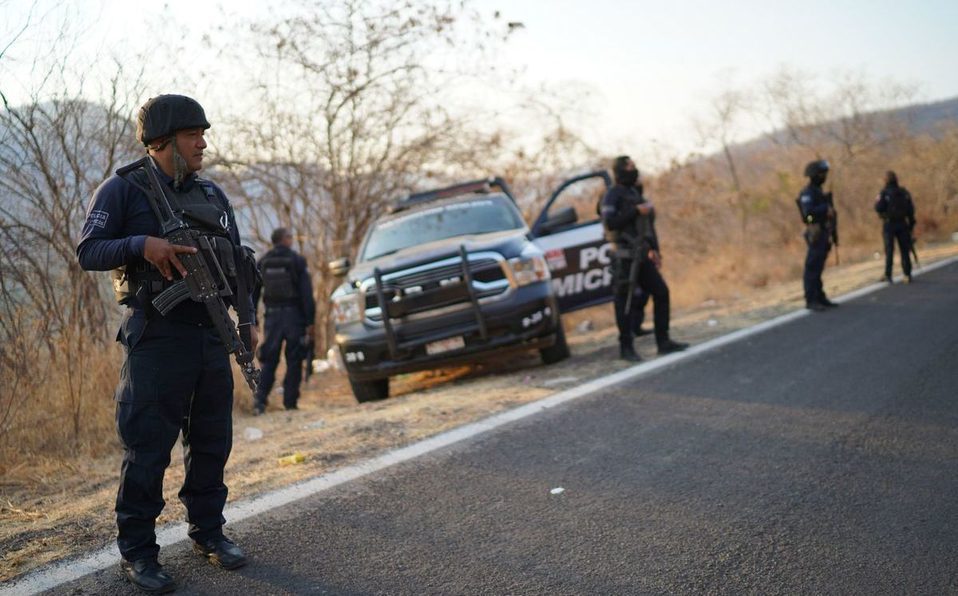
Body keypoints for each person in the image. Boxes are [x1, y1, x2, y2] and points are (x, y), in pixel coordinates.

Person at [77, 95, 255, 593]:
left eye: (204, 132)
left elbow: (238, 262)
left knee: (212, 442)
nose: (203, 142)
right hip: (156, 338)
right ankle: (139, 552)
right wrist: (142, 245)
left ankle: (209, 532)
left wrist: (248, 321)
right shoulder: (122, 189)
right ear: (162, 142)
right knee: (148, 449)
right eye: (193, 134)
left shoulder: (212, 195)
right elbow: (88, 250)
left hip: (210, 336)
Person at [600, 155, 688, 361]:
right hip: (623, 257)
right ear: (620, 170)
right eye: (629, 167)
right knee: (625, 302)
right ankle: (626, 348)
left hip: (641, 253)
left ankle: (663, 341)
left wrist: (654, 249)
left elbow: (647, 226)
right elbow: (610, 223)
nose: (634, 170)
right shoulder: (612, 195)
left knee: (661, 292)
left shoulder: (634, 192)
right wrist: (634, 211)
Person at [252, 227, 316, 414]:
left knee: (269, 360)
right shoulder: (297, 261)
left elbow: (253, 293)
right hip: (294, 316)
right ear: (285, 239)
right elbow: (306, 295)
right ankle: (290, 403)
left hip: (272, 317)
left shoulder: (263, 261)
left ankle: (260, 402)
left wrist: (252, 317)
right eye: (290, 237)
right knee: (294, 359)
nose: (292, 239)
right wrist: (310, 321)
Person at [796, 159, 839, 311]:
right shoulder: (808, 193)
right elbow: (807, 216)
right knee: (812, 268)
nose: (824, 177)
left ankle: (820, 296)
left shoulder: (819, 192)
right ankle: (811, 299)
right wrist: (823, 210)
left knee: (818, 268)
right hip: (816, 232)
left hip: (824, 232)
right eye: (822, 174)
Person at [874, 170, 916, 283]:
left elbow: (878, 208)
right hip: (903, 223)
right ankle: (907, 274)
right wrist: (911, 225)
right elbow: (911, 210)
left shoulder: (884, 193)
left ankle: (888, 274)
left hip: (889, 224)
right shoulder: (904, 192)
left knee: (889, 250)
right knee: (904, 250)